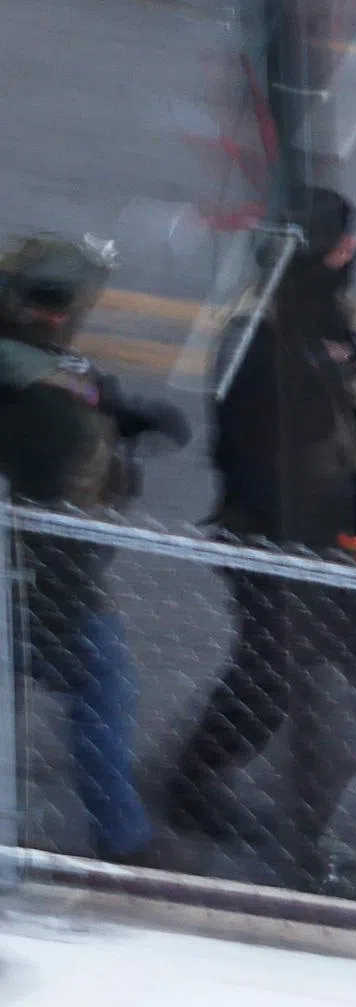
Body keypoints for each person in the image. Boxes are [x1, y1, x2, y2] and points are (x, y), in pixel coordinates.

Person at [163, 187, 356, 889]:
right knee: (268, 677)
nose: (354, 257)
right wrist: (348, 531)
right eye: (341, 248)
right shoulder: (258, 344)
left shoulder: (332, 317)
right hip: (281, 544)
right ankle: (190, 785)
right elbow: (261, 469)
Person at [0, 232, 191, 864]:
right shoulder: (34, 397)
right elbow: (47, 498)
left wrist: (123, 414)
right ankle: (124, 841)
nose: (64, 318)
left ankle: (123, 834)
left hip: (51, 577)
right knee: (103, 688)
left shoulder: (38, 370)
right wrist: (59, 612)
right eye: (51, 304)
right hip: (42, 580)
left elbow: (82, 391)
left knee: (103, 691)